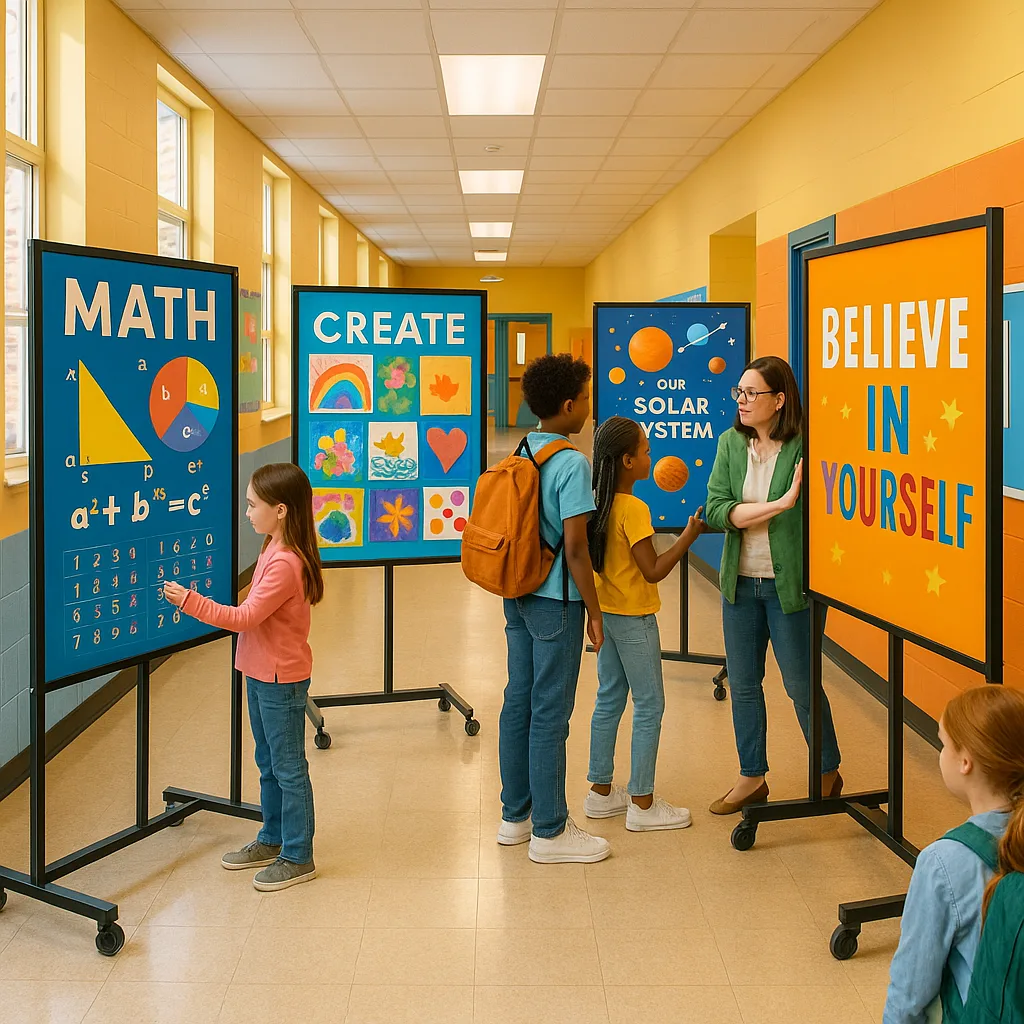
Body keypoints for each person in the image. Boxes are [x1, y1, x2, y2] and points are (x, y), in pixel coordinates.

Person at [164, 462, 324, 892]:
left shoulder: (286, 563)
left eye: (253, 505)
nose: (248, 512)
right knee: (268, 763)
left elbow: (246, 616)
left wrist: (190, 602)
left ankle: (298, 855)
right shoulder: (273, 545)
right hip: (259, 672)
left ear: (282, 510)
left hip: (280, 680)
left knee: (288, 768)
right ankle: (272, 838)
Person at [704, 355, 842, 814]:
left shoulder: (806, 446)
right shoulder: (729, 443)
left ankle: (826, 769)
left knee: (802, 684)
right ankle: (751, 776)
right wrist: (781, 504)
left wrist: (770, 510)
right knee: (744, 684)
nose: (742, 401)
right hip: (739, 585)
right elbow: (718, 509)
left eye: (751, 393)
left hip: (791, 589)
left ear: (779, 400)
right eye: (739, 393)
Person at [497, 353, 611, 864]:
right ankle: (550, 831)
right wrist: (595, 609)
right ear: (568, 406)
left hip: (517, 592)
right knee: (550, 713)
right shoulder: (572, 462)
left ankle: (514, 818)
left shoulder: (523, 448)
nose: (587, 407)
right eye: (584, 399)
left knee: (517, 701)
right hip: (555, 602)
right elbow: (577, 547)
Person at [583, 416, 706, 831]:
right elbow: (652, 570)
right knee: (650, 704)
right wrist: (689, 535)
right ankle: (642, 802)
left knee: (609, 699)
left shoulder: (597, 502)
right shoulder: (634, 508)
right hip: (635, 619)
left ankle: (600, 793)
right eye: (647, 450)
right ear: (627, 460)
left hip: (609, 614)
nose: (652, 457)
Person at [883, 685, 1024, 1023]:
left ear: (965, 762)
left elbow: (910, 992)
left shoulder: (945, 862)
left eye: (943, 744)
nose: (940, 753)